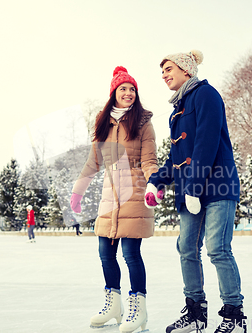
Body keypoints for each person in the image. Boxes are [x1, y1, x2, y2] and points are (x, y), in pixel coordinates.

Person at [144, 50, 247, 333]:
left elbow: (206, 143)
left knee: (217, 249)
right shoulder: (178, 108)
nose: (164, 74)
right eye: (162, 71)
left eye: (168, 68)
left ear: (186, 70)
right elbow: (177, 155)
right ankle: (196, 313)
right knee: (187, 248)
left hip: (217, 185)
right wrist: (157, 180)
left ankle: (234, 316)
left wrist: (193, 185)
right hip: (191, 191)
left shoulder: (206, 95)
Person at [70, 66, 158, 333]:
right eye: (124, 89)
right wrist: (78, 190)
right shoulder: (103, 123)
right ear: (114, 93)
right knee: (105, 253)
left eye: (132, 89)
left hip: (134, 192)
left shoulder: (143, 122)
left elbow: (149, 160)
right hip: (110, 196)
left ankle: (138, 310)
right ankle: (114, 306)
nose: (129, 93)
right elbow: (93, 162)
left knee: (131, 254)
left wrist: (154, 183)